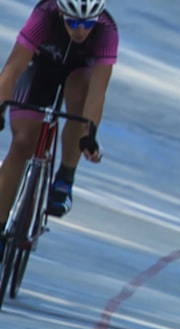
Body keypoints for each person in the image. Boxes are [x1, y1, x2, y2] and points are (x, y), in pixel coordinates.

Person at [0, 0, 116, 228]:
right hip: (41, 67)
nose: (80, 30)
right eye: (72, 22)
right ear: (61, 12)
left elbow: (97, 91)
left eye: (87, 23)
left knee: (81, 92)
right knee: (23, 142)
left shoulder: (107, 30)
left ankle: (65, 177)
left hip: (79, 74)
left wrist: (89, 133)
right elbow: (13, 68)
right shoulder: (44, 16)